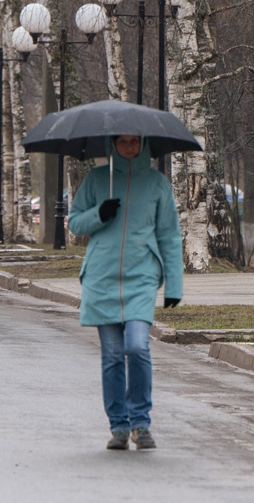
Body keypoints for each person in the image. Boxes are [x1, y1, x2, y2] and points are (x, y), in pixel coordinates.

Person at [67, 135, 183, 451]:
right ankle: (119, 428)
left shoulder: (158, 184)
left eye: (135, 142)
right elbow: (75, 223)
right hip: (101, 279)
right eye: (123, 142)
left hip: (141, 277)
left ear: (144, 144)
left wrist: (174, 285)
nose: (129, 148)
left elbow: (170, 236)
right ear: (111, 144)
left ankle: (141, 423)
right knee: (114, 355)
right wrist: (99, 214)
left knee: (137, 347)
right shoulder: (95, 180)